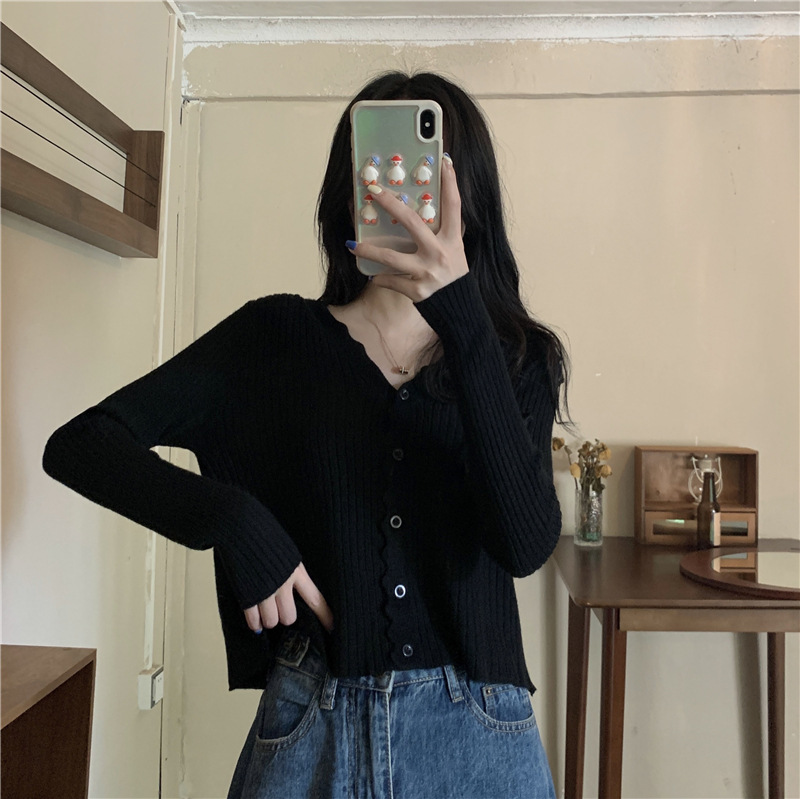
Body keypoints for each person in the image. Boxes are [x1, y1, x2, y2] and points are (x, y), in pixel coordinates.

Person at [42, 70, 572, 799]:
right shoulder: (273, 338)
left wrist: (461, 317)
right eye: (374, 173)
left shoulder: (516, 358)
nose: (396, 196)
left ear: (465, 197)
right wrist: (232, 520)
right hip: (311, 725)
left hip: (478, 736)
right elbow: (81, 443)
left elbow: (524, 543)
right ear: (345, 192)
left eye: (419, 177)